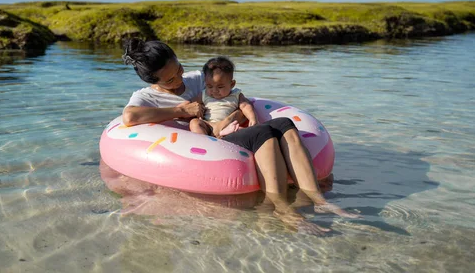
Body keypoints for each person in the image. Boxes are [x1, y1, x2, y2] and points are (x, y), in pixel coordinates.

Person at [122, 39, 359, 234]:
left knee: (284, 123)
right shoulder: (145, 98)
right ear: (153, 81)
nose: (180, 79)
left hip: (232, 130)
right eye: (171, 79)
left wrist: (234, 116)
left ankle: (319, 201)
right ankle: (282, 209)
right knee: (264, 132)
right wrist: (181, 111)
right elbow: (129, 117)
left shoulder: (197, 78)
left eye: (179, 69)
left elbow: (232, 96)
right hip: (211, 147)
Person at [189, 56, 257, 137]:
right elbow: (190, 104)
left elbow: (245, 106)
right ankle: (203, 140)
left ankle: (223, 135)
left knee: (237, 128)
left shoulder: (236, 95)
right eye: (209, 86)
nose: (214, 90)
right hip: (208, 124)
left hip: (228, 126)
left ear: (232, 84)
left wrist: (252, 118)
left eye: (220, 87)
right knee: (194, 122)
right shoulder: (204, 94)